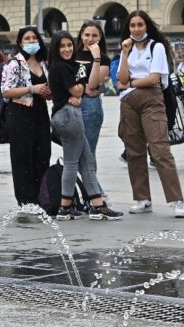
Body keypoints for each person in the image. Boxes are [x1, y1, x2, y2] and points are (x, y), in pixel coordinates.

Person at [47, 31, 124, 220]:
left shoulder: (72, 65)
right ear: (56, 49)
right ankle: (65, 207)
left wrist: (81, 87)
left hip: (70, 115)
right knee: (72, 162)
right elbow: (79, 90)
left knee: (86, 161)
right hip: (67, 116)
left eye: (69, 45)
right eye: (62, 46)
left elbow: (89, 85)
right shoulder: (60, 67)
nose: (67, 49)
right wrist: (79, 89)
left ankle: (97, 205)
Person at [116, 10, 184, 218]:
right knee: (134, 151)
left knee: (160, 150)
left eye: (140, 25)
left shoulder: (157, 47)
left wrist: (131, 83)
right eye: (132, 25)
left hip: (151, 101)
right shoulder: (126, 49)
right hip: (128, 103)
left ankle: (177, 200)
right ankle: (142, 198)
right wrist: (125, 54)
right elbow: (121, 78)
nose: (136, 29)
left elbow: (153, 79)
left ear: (147, 26)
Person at [1, 26, 51, 206]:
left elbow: (48, 88)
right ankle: (26, 199)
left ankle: (42, 196)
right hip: (20, 114)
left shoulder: (43, 63)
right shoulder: (13, 64)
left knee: (42, 153)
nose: (31, 42)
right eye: (27, 38)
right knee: (23, 157)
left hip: (40, 113)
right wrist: (32, 89)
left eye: (34, 38)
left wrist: (47, 92)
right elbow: (6, 91)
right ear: (20, 42)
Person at [75, 20, 110, 156]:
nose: (90, 39)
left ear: (100, 37)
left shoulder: (104, 59)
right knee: (73, 151)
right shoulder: (71, 55)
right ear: (81, 35)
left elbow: (93, 84)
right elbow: (64, 81)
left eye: (94, 36)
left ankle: (89, 177)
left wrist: (96, 58)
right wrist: (84, 87)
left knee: (89, 150)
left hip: (91, 106)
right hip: (70, 103)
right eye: (87, 35)